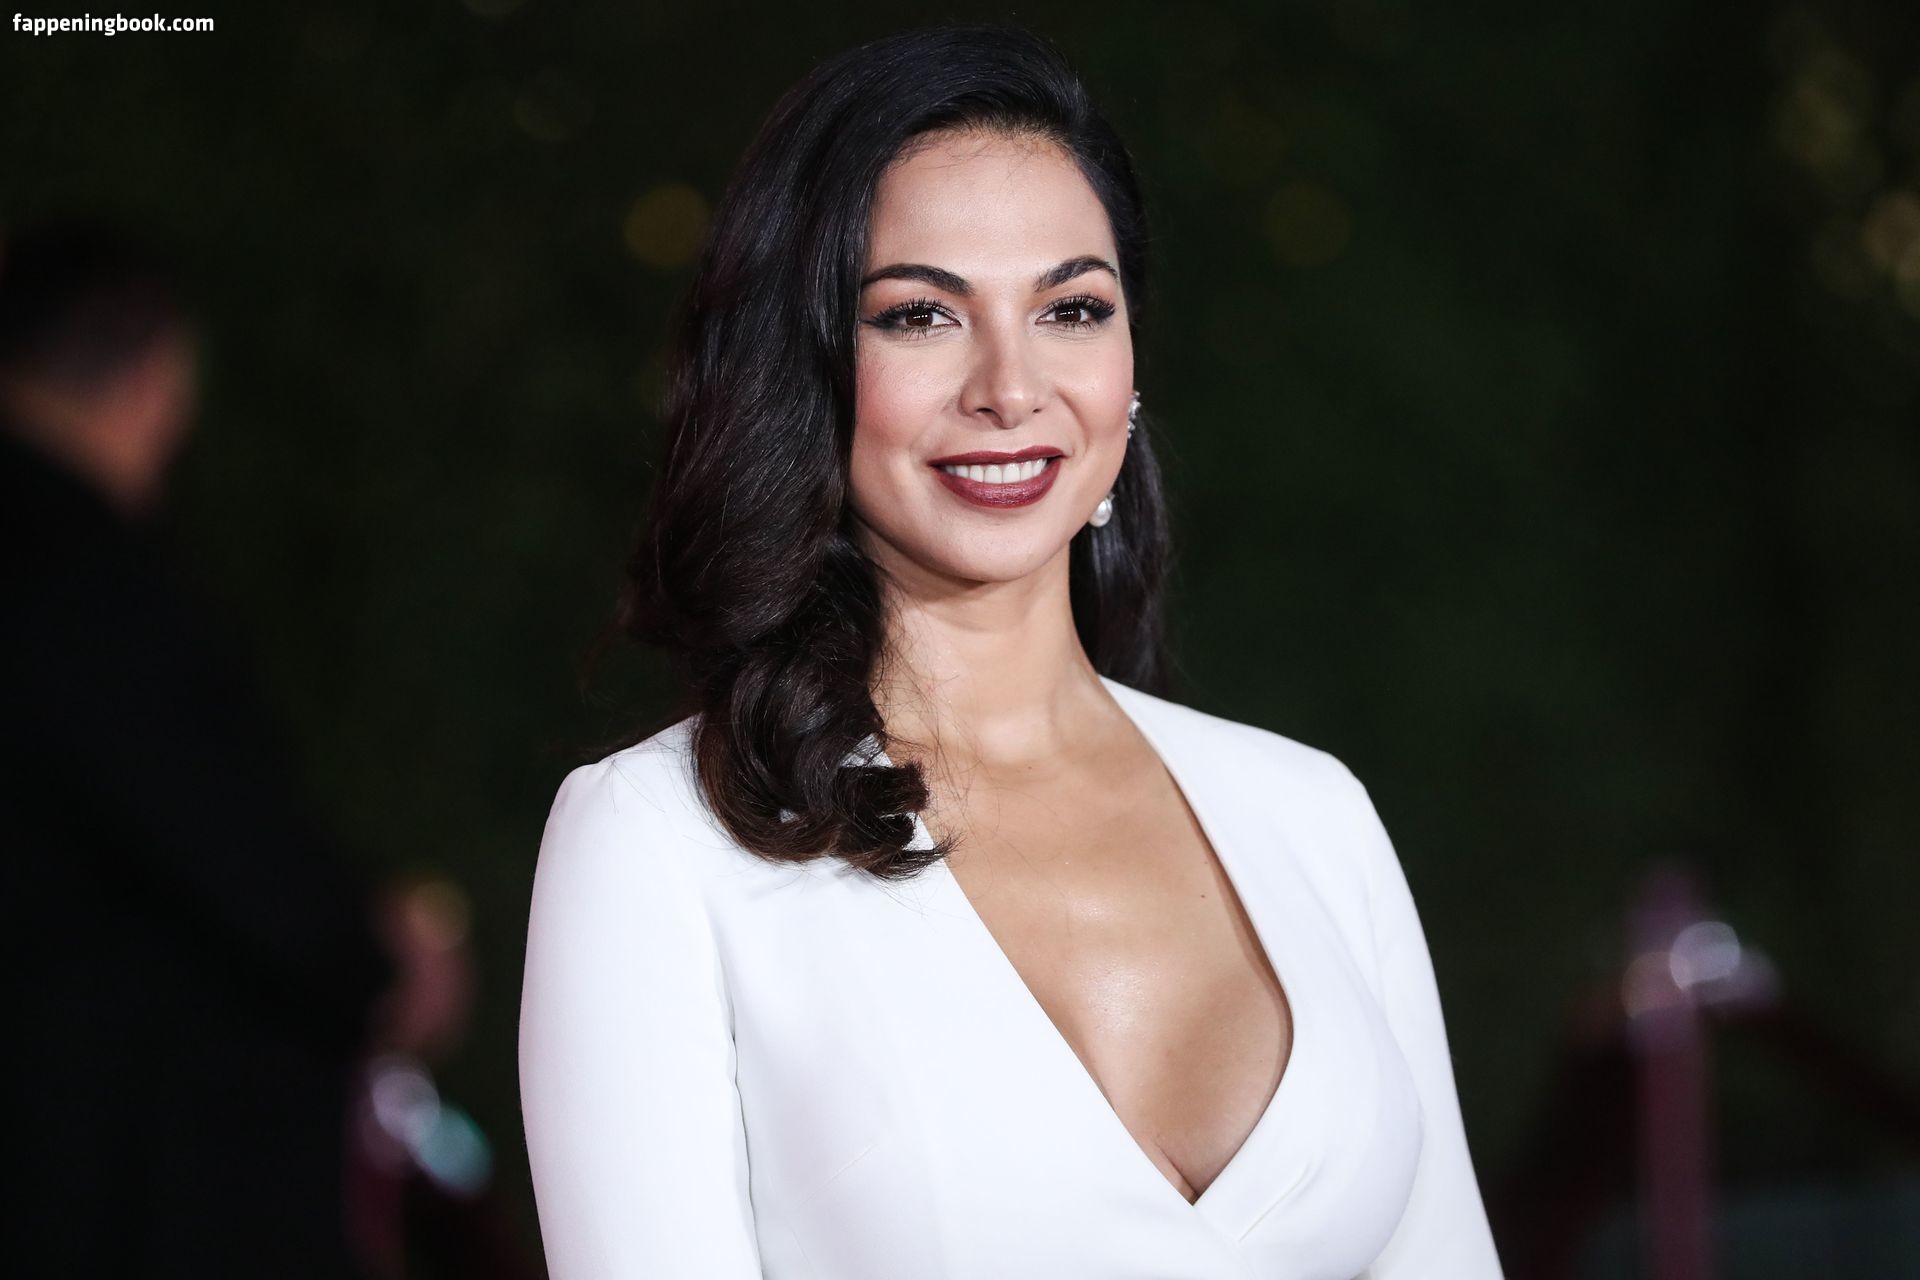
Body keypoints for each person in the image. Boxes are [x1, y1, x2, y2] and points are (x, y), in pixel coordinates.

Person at [519, 22, 1505, 1278]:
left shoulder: (1314, 815)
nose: (1010, 385)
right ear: (806, 363)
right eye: (921, 314)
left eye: (1072, 307)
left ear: (1131, 362)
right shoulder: (659, 841)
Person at [0, 218, 393, 1278]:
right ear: (157, 380)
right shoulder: (86, 584)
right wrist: (376, 962)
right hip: (114, 1171)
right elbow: (227, 851)